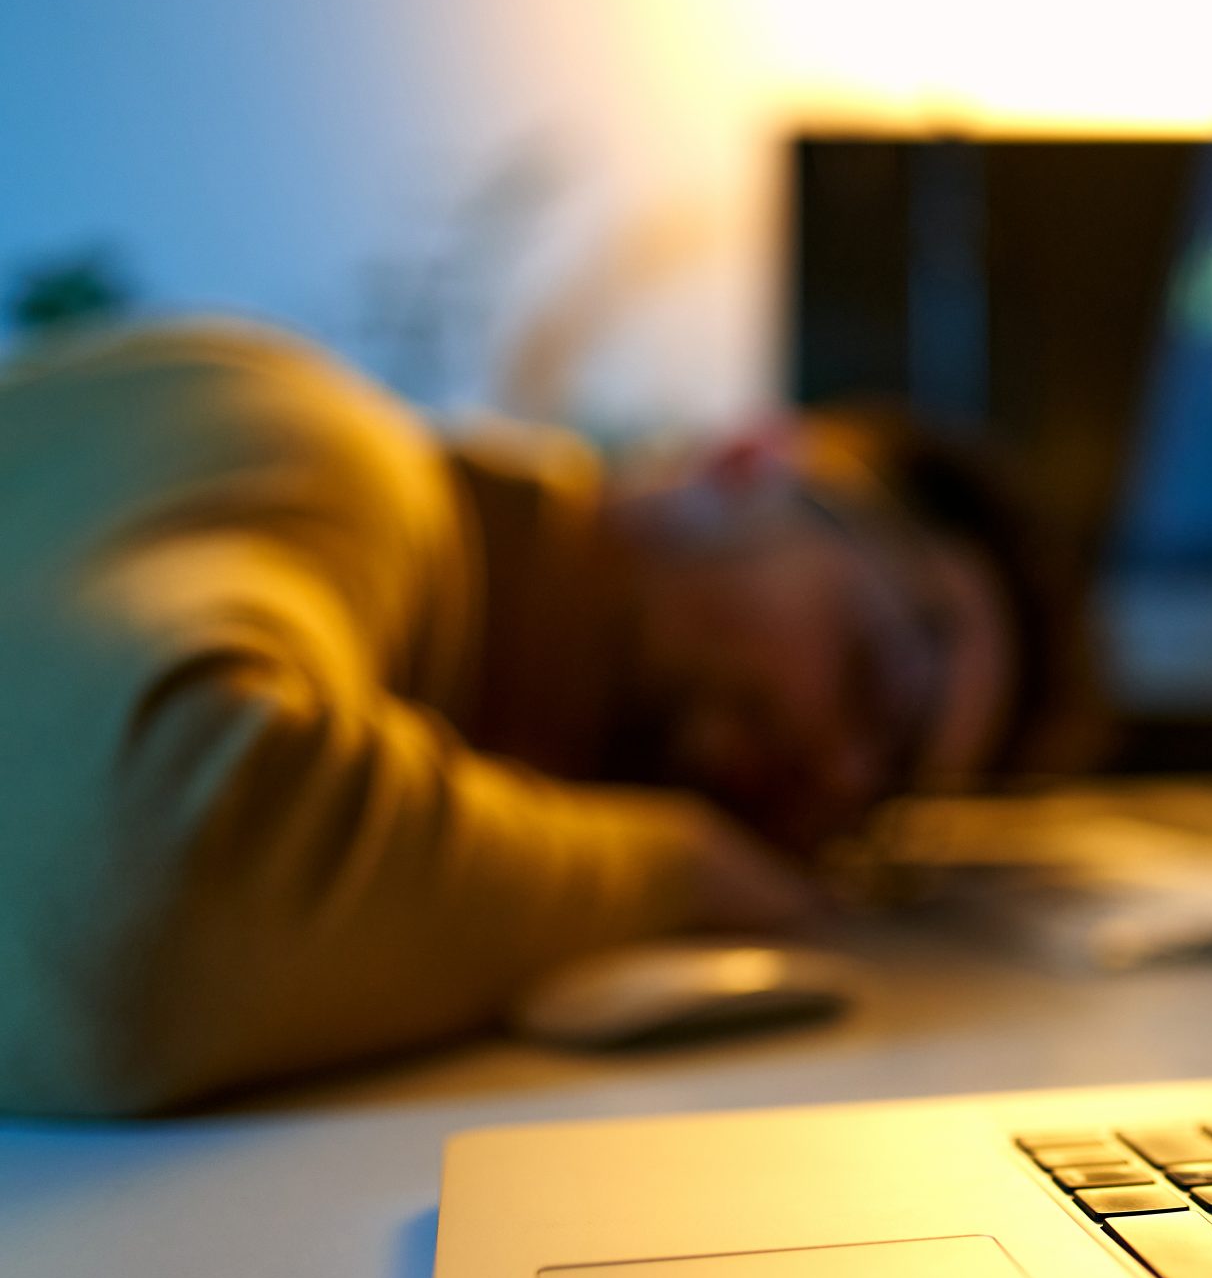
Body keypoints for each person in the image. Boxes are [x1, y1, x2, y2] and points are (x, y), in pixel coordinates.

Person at [0, 318, 1084, 1115]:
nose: (841, 773)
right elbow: (123, 899)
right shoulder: (332, 458)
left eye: (886, 778)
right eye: (870, 675)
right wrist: (671, 872)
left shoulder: (470, 720)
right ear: (744, 466)